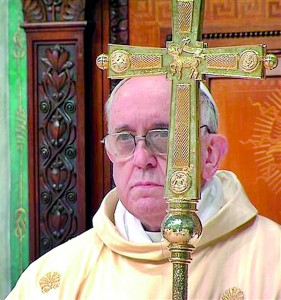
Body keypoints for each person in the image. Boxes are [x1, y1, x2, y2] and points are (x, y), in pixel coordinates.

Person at [7, 76, 280, 299]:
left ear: (209, 154)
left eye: (163, 136)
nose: (141, 159)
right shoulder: (54, 278)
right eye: (124, 138)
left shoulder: (273, 262)